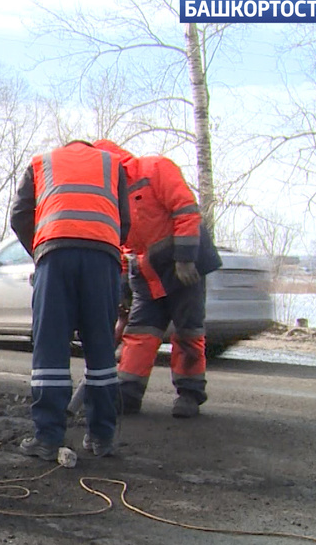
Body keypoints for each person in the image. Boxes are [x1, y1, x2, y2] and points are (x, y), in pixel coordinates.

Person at [9, 140, 131, 460]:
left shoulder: (42, 162)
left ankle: (48, 437)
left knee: (50, 348)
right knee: (101, 348)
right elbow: (126, 222)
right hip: (102, 259)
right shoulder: (112, 165)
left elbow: (20, 215)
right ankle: (102, 437)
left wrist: (40, 251)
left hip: (56, 255)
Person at [92, 141, 221, 418]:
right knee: (139, 332)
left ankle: (189, 394)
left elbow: (186, 211)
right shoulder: (108, 195)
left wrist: (185, 259)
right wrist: (124, 283)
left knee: (187, 330)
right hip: (147, 273)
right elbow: (123, 242)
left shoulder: (155, 168)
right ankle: (127, 392)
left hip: (183, 268)